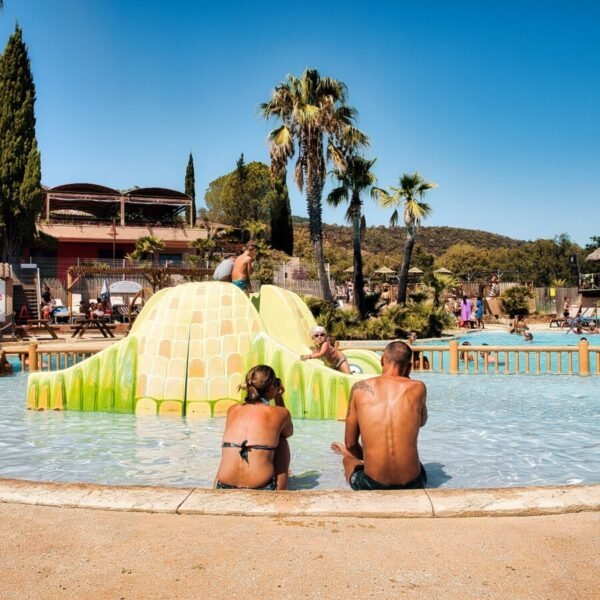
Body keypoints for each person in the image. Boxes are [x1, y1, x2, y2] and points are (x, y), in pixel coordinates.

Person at [331, 341, 427, 490]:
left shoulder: (360, 388)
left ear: (382, 359)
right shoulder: (418, 387)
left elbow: (350, 444)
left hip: (372, 483)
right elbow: (421, 422)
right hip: (413, 483)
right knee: (418, 463)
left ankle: (361, 459)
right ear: (409, 367)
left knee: (348, 460)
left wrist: (364, 459)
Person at [214, 366, 293, 490]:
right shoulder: (280, 413)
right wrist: (278, 397)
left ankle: (214, 490)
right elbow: (288, 432)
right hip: (261, 487)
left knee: (233, 445)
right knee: (282, 441)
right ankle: (280, 495)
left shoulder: (233, 409)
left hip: (224, 485)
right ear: (272, 387)